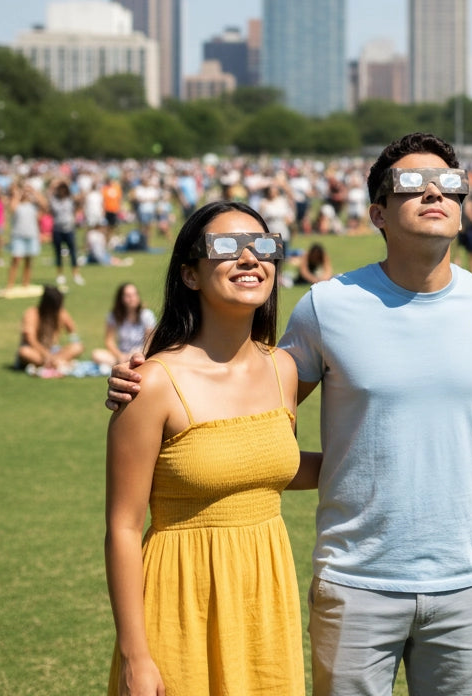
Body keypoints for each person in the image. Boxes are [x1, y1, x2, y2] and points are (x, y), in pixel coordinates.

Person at [107, 134, 472, 696]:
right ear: (378, 213)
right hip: (350, 580)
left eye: (449, 183)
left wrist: (450, 462)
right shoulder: (327, 306)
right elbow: (231, 422)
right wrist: (147, 373)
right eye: (410, 184)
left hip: (459, 581)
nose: (433, 193)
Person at [104, 200, 319, 696]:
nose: (249, 258)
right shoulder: (151, 383)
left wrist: (377, 462)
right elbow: (123, 527)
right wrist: (136, 657)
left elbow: (266, 467)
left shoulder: (283, 369)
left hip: (264, 602)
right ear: (190, 275)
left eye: (262, 245)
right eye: (226, 246)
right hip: (180, 601)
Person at [15, 284, 85, 375]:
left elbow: (72, 331)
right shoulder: (32, 313)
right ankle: (58, 363)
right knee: (24, 352)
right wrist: (45, 354)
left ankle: (52, 363)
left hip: (54, 351)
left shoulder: (60, 313)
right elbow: (30, 339)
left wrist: (74, 342)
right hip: (36, 352)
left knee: (77, 347)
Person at [92, 282, 157, 365]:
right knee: (96, 354)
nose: (132, 298)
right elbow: (109, 340)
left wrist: (138, 354)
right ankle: (127, 363)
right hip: (122, 353)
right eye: (128, 296)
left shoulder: (146, 315)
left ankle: (127, 363)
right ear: (121, 298)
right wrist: (120, 356)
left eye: (134, 295)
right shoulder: (114, 315)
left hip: (140, 352)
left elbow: (149, 342)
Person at [5, 181, 45, 289]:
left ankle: (26, 284)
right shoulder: (17, 204)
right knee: (16, 260)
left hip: (31, 236)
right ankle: (10, 285)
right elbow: (12, 208)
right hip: (18, 236)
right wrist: (19, 193)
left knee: (28, 261)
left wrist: (33, 191)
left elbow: (44, 205)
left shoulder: (33, 206)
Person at [49, 178, 84, 287]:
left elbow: (81, 197)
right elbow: (49, 192)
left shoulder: (70, 200)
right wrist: (55, 183)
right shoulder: (54, 200)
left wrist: (66, 182)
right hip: (57, 230)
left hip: (69, 229)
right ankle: (60, 274)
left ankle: (76, 274)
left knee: (73, 253)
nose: (62, 192)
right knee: (58, 253)